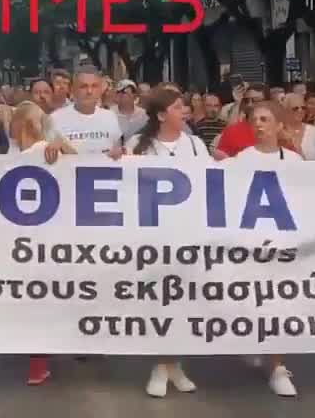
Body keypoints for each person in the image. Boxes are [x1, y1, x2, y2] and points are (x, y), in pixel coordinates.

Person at [128, 87, 206, 397]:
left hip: (188, 236)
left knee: (182, 303)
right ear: (161, 115)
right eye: (177, 107)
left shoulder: (196, 145)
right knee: (159, 303)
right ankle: (163, 365)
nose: (184, 111)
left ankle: (171, 365)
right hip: (152, 238)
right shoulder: (138, 144)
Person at [229, 101, 301, 397]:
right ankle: (253, 342)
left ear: (280, 126)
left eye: (265, 119)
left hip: (284, 246)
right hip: (250, 245)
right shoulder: (241, 160)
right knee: (251, 302)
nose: (258, 124)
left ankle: (276, 366)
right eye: (254, 119)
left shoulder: (295, 161)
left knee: (279, 306)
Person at [8, 101, 69, 386]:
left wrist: (62, 148)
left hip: (38, 238)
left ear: (23, 124)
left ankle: (38, 362)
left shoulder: (45, 151)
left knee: (36, 298)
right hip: (35, 238)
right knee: (40, 298)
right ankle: (39, 360)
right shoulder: (18, 153)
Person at [49, 67, 123, 157]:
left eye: (94, 86)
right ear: (72, 89)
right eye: (83, 86)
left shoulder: (110, 117)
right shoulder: (55, 118)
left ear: (100, 90)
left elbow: (118, 150)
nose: (89, 91)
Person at [281, 93, 315, 161]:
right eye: (295, 108)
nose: (300, 111)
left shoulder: (313, 131)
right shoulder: (277, 132)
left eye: (303, 108)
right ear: (285, 110)